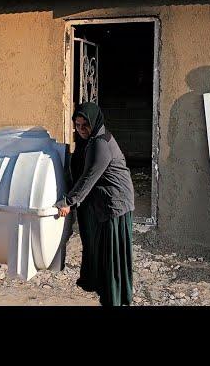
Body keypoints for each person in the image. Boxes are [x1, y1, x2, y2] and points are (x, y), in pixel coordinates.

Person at [55, 102, 135, 306]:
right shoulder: (93, 140)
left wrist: (68, 202)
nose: (81, 130)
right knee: (102, 253)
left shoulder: (100, 142)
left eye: (85, 126)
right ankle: (107, 294)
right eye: (77, 126)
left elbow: (89, 177)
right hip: (105, 203)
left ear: (95, 122)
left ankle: (113, 299)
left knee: (110, 256)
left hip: (114, 205)